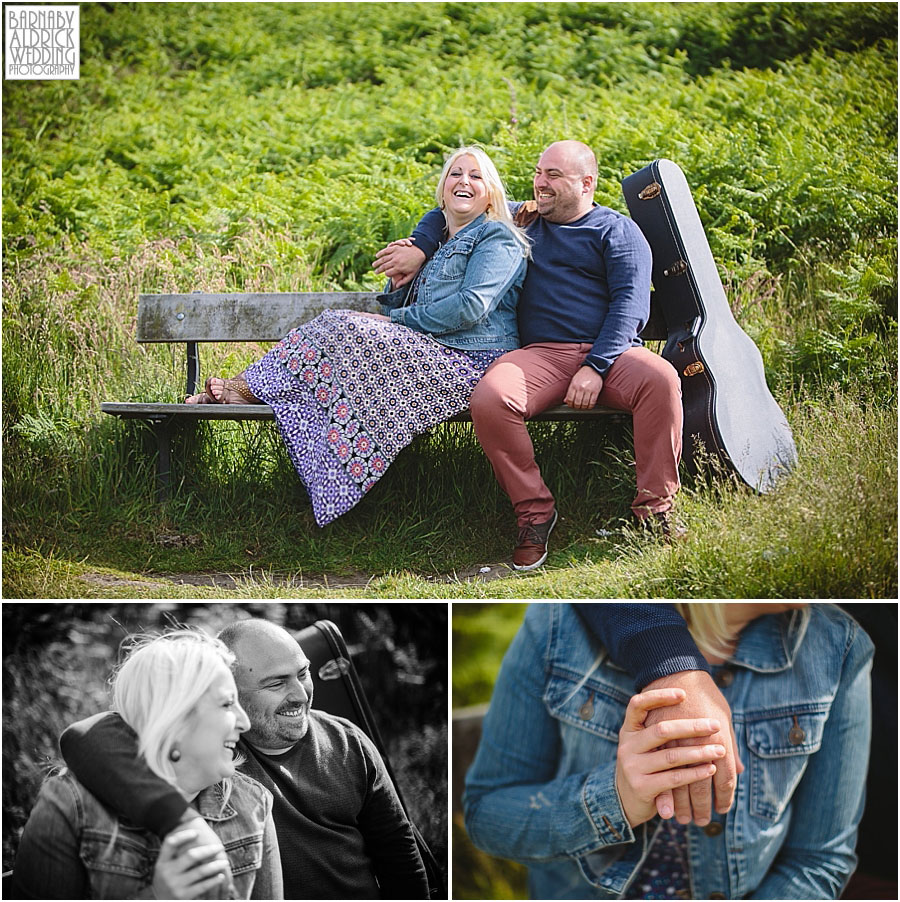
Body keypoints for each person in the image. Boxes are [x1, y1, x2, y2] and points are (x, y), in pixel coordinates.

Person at [374, 140, 683, 570]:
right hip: (542, 355)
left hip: (611, 355)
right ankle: (535, 513)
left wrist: (596, 367)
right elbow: (451, 206)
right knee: (491, 398)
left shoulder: (617, 231)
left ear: (586, 183)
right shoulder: (521, 219)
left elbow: (630, 307)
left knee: (662, 379)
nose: (540, 182)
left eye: (553, 176)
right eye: (539, 173)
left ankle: (655, 513)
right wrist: (424, 245)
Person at [186, 146, 529, 527]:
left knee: (342, 327)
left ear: (491, 191)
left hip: (472, 361)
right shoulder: (436, 240)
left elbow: (470, 307)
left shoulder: (498, 237)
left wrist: (396, 321)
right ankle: (259, 398)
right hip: (437, 350)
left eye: (476, 176)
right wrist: (403, 276)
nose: (464, 181)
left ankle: (248, 389)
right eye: (455, 174)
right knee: (340, 338)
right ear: (442, 187)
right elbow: (408, 299)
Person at [463, 603, 872, 899]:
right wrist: (614, 800)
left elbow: (820, 861)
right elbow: (486, 814)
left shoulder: (838, 647)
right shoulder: (556, 624)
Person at [58, 618, 430, 900]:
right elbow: (84, 736)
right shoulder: (216, 752)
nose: (300, 694)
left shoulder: (347, 740)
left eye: (302, 674)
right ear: (227, 693)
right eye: (276, 683)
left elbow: (398, 849)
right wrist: (177, 820)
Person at [12, 629, 282, 900]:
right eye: (226, 704)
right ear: (175, 718)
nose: (244, 722)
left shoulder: (253, 804)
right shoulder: (69, 805)